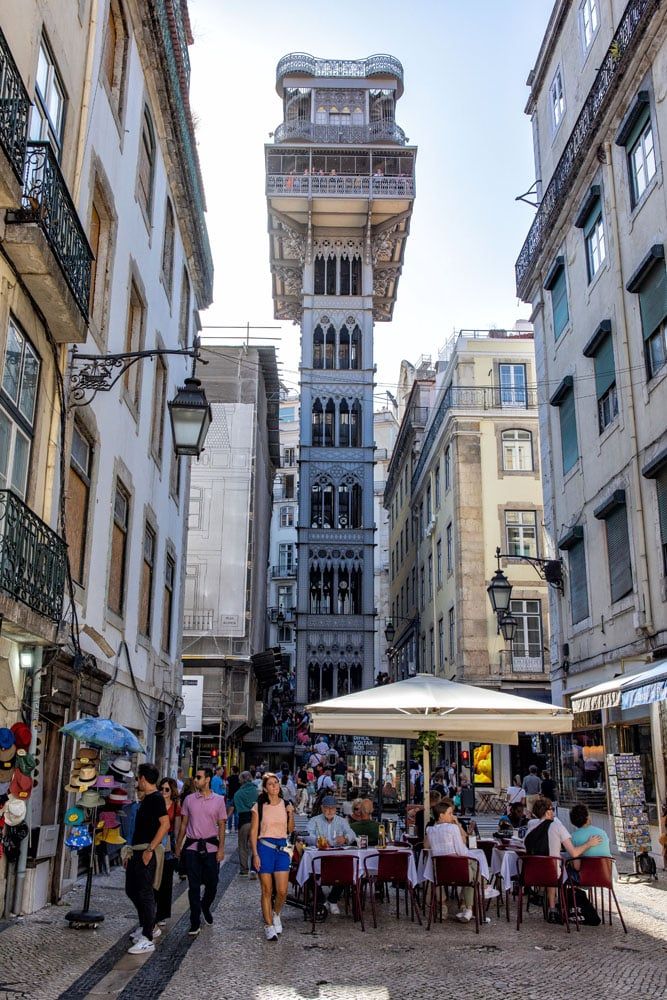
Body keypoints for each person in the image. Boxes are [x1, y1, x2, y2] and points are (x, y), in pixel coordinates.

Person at [524, 797, 603, 923]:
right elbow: (574, 852)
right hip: (552, 875)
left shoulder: (530, 827)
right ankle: (555, 909)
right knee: (557, 867)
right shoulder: (557, 826)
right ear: (548, 812)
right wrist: (589, 843)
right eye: (552, 810)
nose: (554, 813)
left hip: (530, 876)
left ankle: (552, 909)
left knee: (550, 866)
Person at [424, 799, 497, 923]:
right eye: (450, 813)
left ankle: (474, 899)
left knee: (472, 867)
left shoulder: (430, 830)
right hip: (458, 872)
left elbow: (427, 847)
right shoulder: (452, 828)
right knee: (473, 869)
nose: (452, 816)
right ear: (442, 815)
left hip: (441, 873)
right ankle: (475, 900)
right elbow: (461, 851)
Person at [175, 767, 227, 937]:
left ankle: (205, 906)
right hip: (191, 848)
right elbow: (183, 824)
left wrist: (221, 849)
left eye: (199, 777)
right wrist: (178, 844)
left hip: (211, 848)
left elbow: (222, 825)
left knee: (212, 884)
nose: (195, 780)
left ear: (208, 779)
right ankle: (194, 921)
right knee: (194, 886)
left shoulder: (219, 800)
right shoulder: (189, 800)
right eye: (195, 777)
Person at [124, 763, 170, 954]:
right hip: (137, 849)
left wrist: (150, 849)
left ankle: (148, 937)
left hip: (146, 851)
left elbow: (165, 824)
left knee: (145, 892)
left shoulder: (156, 798)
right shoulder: (147, 799)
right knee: (131, 889)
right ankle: (147, 925)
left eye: (138, 778)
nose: (137, 782)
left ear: (143, 778)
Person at [249, 772, 295, 940]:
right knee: (267, 890)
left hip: (282, 848)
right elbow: (253, 832)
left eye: (276, 783)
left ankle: (276, 913)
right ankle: (268, 925)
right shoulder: (258, 806)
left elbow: (290, 829)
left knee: (282, 891)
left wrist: (290, 813)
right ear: (265, 788)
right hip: (264, 847)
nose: (275, 786)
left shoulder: (286, 804)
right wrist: (255, 854)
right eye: (271, 784)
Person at [306, 796, 356, 915]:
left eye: (332, 809)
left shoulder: (341, 821)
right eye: (326, 808)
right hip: (319, 855)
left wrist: (345, 838)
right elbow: (307, 835)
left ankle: (333, 899)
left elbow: (352, 833)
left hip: (336, 855)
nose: (329, 811)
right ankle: (321, 899)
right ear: (322, 808)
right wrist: (317, 840)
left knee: (347, 870)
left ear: (336, 809)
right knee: (308, 872)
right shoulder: (314, 820)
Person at [154, 777, 182, 926]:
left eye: (167, 789)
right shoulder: (155, 803)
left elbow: (177, 829)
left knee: (166, 879)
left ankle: (163, 913)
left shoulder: (176, 806)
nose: (163, 792)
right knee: (153, 878)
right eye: (162, 789)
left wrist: (178, 848)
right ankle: (153, 908)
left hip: (168, 845)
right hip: (155, 841)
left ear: (172, 791)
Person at [233, 770, 259, 878]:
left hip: (243, 822)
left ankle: (244, 869)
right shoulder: (257, 791)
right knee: (255, 846)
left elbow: (237, 809)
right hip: (255, 821)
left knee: (243, 846)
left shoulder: (238, 794)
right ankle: (254, 868)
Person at [226, 766, 241, 832]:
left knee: (230, 814)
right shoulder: (239, 779)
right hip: (237, 798)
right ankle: (236, 828)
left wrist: (226, 795)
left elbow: (227, 788)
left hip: (230, 797)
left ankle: (229, 828)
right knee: (236, 814)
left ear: (232, 771)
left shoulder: (228, 778)